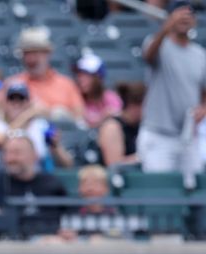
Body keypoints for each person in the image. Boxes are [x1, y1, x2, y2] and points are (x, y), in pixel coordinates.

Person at [138, 0, 206, 186]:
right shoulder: (159, 45)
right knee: (159, 189)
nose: (184, 19)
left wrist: (203, 108)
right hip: (158, 134)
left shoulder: (199, 54)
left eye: (188, 15)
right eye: (179, 14)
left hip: (187, 137)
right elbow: (148, 55)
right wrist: (166, 27)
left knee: (194, 190)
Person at [0, 133, 67, 235]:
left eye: (17, 153)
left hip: (46, 242)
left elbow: (68, 215)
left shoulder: (52, 183)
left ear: (34, 155)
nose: (10, 158)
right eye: (7, 153)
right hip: (5, 242)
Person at [5, 27, 85, 122]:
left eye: (35, 53)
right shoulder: (13, 84)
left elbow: (80, 120)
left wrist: (52, 113)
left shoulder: (66, 84)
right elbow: (3, 118)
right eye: (26, 54)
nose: (31, 59)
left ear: (47, 53)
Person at [2, 82, 74, 172]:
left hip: (40, 175)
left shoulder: (41, 125)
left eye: (21, 99)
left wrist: (56, 146)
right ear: (6, 104)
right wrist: (30, 113)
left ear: (28, 103)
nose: (16, 104)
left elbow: (68, 164)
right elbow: (3, 139)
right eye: (12, 99)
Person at [98, 82, 144, 168]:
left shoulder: (141, 126)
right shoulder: (112, 126)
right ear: (133, 105)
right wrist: (143, 157)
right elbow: (114, 164)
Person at [73, 54, 122, 129]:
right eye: (79, 75)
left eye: (87, 75)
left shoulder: (110, 98)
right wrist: (102, 118)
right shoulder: (75, 97)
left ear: (98, 77)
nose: (81, 80)